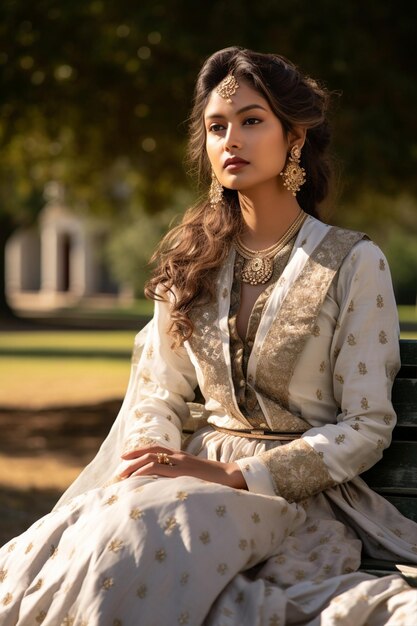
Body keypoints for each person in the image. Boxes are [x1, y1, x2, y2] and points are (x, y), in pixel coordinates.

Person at [1, 46, 416, 626]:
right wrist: (155, 458)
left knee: (148, 535)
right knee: (85, 542)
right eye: (217, 127)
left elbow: (368, 425)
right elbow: (158, 390)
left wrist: (235, 475)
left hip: (290, 495)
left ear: (293, 136)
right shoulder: (194, 259)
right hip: (187, 476)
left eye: (252, 120)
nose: (231, 140)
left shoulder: (353, 262)